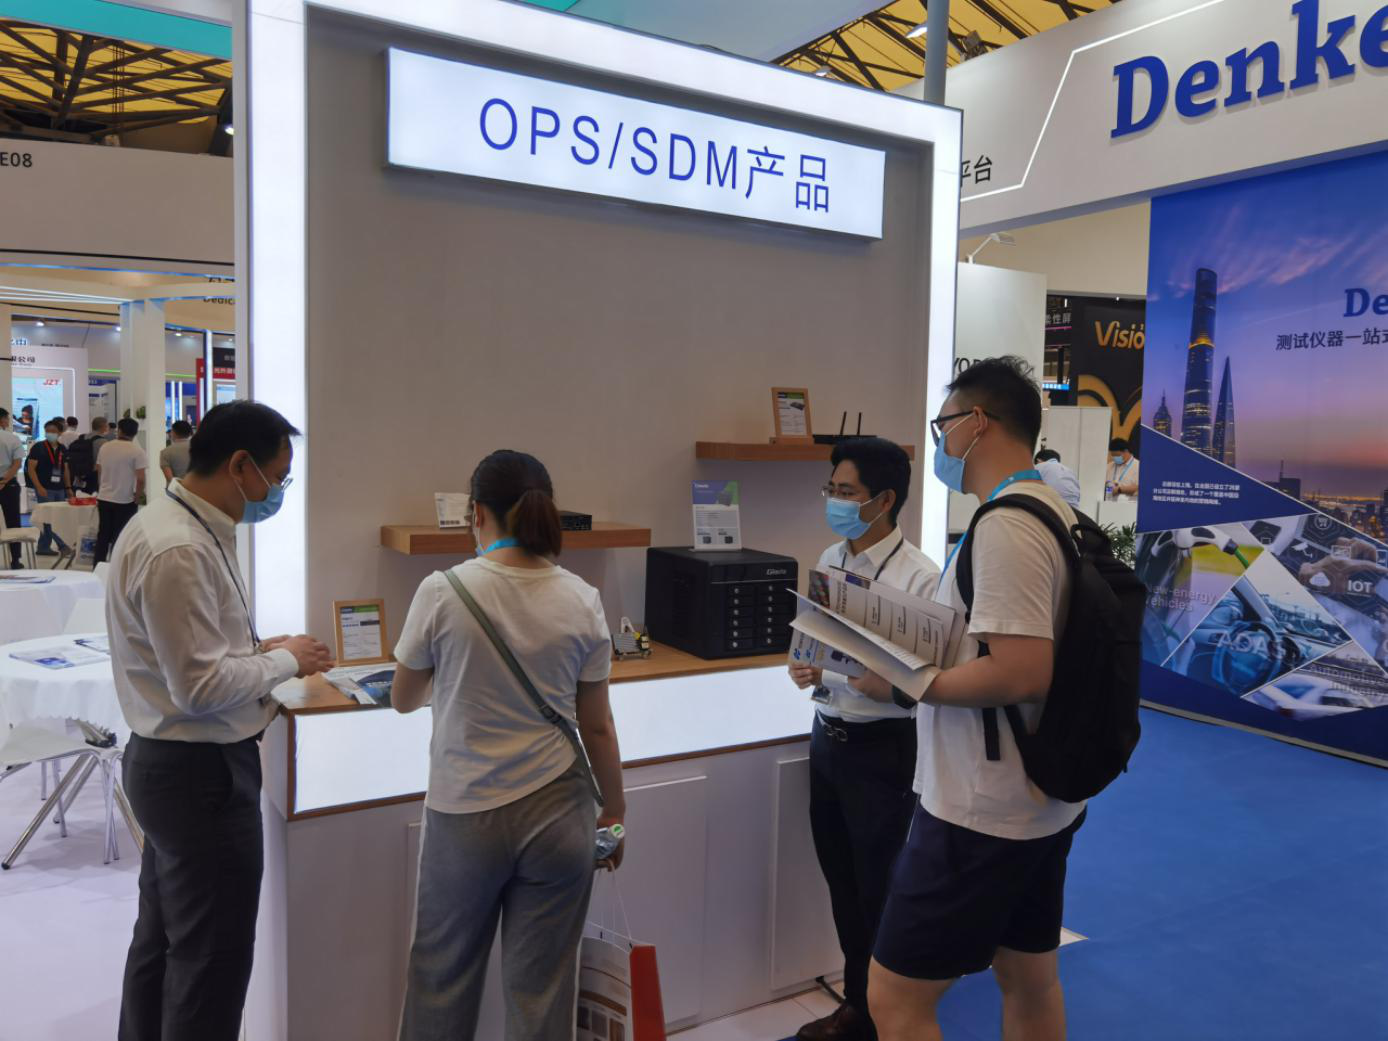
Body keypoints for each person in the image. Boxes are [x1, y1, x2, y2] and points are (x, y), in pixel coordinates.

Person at [858, 357, 1083, 1041]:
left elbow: (1022, 671)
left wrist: (912, 681)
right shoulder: (1048, 509)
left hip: (982, 808)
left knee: (894, 998)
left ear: (976, 422)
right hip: (1032, 796)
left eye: (943, 426)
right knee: (1029, 977)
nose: (941, 443)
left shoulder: (1007, 526)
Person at [110, 399, 334, 1041]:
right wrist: (285, 662)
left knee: (164, 942)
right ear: (240, 466)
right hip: (199, 775)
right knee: (210, 961)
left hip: (176, 767)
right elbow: (200, 687)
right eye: (277, 477)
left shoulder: (180, 525)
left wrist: (258, 652)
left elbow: (191, 655)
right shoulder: (179, 547)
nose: (277, 492)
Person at [393, 449, 625, 1041]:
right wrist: (616, 812)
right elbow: (597, 724)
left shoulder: (443, 591)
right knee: (541, 993)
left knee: (442, 982)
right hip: (561, 814)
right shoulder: (582, 597)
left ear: (477, 514)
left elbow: (402, 697)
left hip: (465, 812)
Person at [787, 437, 940, 1041]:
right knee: (842, 882)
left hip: (883, 751)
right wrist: (806, 665)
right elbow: (820, 638)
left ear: (884, 500)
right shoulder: (831, 556)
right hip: (827, 737)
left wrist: (891, 685)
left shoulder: (920, 578)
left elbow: (924, 683)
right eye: (831, 488)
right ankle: (859, 1003)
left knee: (878, 888)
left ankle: (882, 1015)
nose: (834, 500)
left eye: (845, 491)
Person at [94, 418, 147, 564]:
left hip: (104, 497)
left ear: (120, 430)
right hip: (125, 500)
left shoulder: (105, 447)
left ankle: (98, 566)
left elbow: (99, 470)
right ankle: (116, 568)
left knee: (103, 535)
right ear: (135, 433)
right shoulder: (137, 451)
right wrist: (138, 496)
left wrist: (101, 488)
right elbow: (141, 478)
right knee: (122, 536)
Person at [26, 418, 75, 560]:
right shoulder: (38, 447)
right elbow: (31, 469)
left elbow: (65, 470)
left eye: (53, 431)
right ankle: (63, 546)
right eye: (47, 431)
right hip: (45, 488)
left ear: (60, 432)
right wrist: (38, 487)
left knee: (56, 518)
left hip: (59, 488)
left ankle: (43, 546)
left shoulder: (62, 448)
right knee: (48, 518)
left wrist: (68, 487)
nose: (50, 433)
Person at [0, 409, 26, 568]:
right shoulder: (12, 438)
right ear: (2, 420)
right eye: (7, 418)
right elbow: (17, 463)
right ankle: (15, 559)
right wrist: (4, 481)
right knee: (13, 522)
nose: (8, 421)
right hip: (8, 484)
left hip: (6, 482)